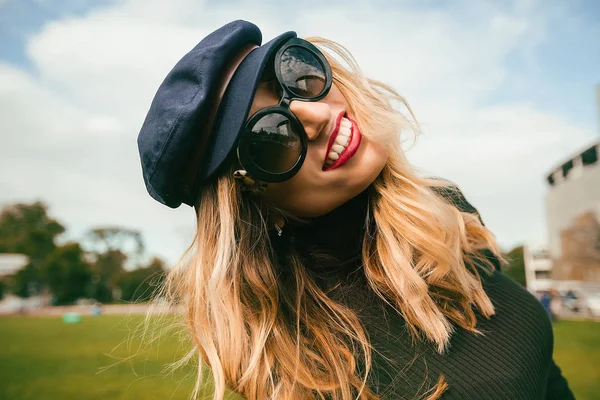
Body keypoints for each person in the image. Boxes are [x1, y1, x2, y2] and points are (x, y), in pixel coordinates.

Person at [137, 20, 574, 400]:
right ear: (250, 203)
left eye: (296, 74)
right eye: (269, 135)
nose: (316, 115)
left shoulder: (445, 216)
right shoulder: (308, 363)